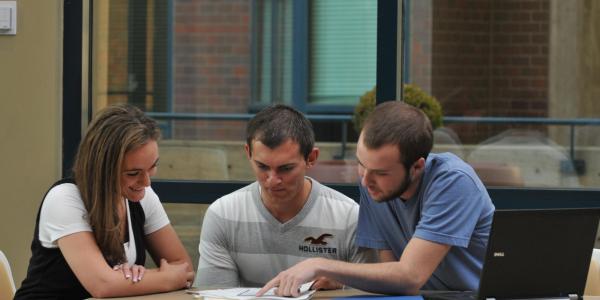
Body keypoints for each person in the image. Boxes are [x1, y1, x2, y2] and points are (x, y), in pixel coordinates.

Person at [258, 101, 495, 296]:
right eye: (361, 164)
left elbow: (410, 276)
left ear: (416, 167)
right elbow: (389, 274)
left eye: (381, 173)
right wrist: (341, 280)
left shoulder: (453, 182)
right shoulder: (375, 186)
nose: (365, 180)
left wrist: (319, 264)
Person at [14, 104, 194, 299]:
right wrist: (164, 278)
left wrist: (139, 278)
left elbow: (183, 268)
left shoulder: (143, 196)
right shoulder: (65, 198)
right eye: (133, 173)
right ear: (102, 168)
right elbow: (103, 285)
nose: (146, 181)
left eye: (152, 167)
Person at [194, 104, 375, 289]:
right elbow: (214, 295)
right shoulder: (223, 215)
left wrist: (341, 288)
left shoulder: (349, 218)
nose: (272, 180)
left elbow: (367, 294)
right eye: (262, 166)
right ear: (248, 153)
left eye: (285, 169)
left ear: (311, 158)